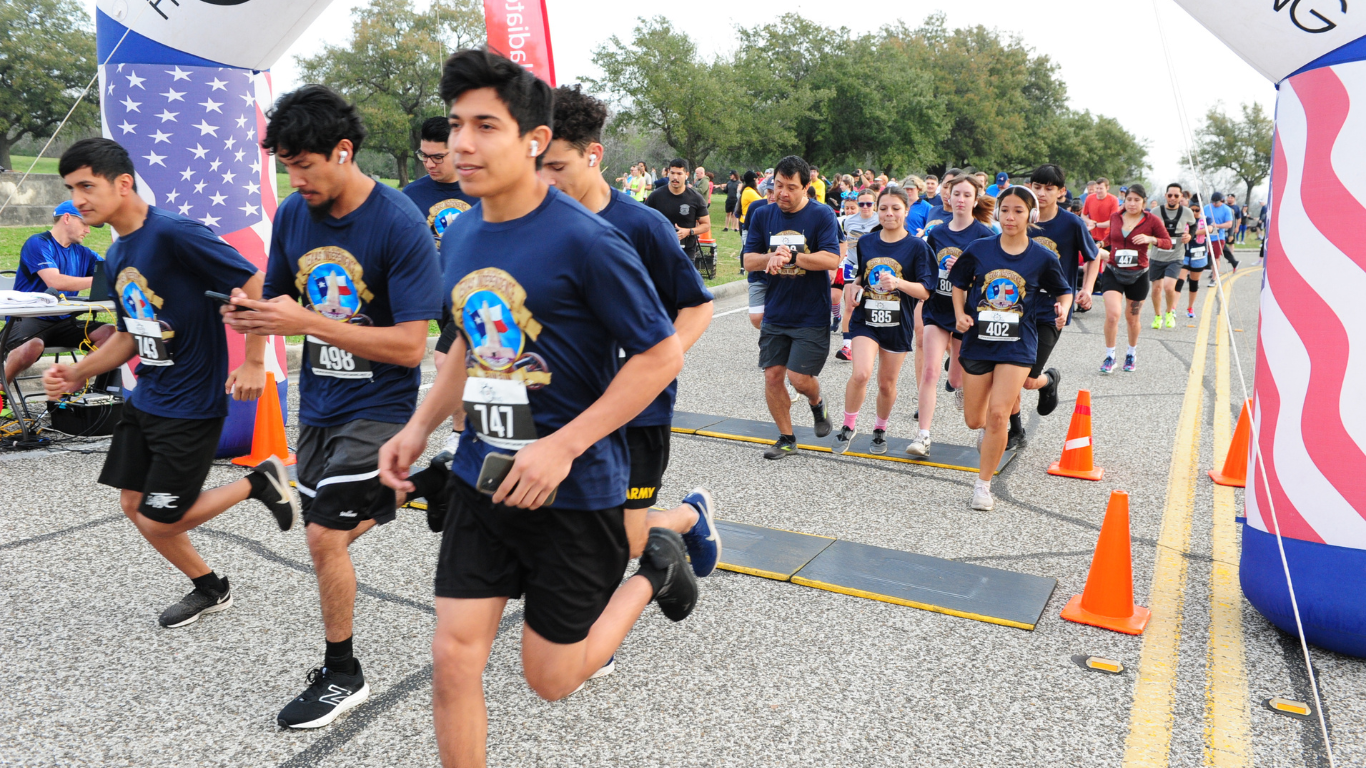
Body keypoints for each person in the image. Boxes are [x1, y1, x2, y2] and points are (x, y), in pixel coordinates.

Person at [379, 50, 696, 768]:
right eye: (457, 124)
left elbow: (660, 355)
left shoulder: (589, 241)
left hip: (573, 492)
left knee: (551, 680)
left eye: (485, 125)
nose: (463, 142)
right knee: (454, 659)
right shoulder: (459, 232)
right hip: (480, 477)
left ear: (533, 139)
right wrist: (420, 426)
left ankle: (656, 569)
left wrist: (564, 445)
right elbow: (464, 338)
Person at [221, 86, 448, 729]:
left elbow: (410, 347)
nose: (294, 180)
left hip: (380, 406)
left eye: (304, 165)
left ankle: (343, 673)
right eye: (285, 167)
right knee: (333, 523)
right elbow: (272, 296)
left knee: (323, 535)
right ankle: (435, 481)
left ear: (343, 152)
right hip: (321, 403)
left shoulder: (399, 224)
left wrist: (307, 324)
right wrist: (250, 346)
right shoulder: (295, 214)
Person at [42, 138, 298, 627]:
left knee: (163, 516)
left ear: (122, 183)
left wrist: (254, 361)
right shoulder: (117, 254)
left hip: (192, 402)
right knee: (134, 503)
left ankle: (259, 481)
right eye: (71, 189)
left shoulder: (176, 234)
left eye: (86, 186)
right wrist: (76, 371)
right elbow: (127, 335)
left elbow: (253, 282)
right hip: (148, 398)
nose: (78, 200)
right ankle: (210, 587)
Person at [541, 83, 720, 589]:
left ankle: (688, 517)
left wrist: (656, 362)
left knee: (625, 537)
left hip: (639, 409)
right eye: (537, 165)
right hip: (565, 406)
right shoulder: (535, 224)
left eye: (556, 167)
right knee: (573, 524)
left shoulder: (643, 226)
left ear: (593, 155)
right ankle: (585, 629)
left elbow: (696, 307)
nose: (544, 180)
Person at [950, 186, 1073, 511]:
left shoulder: (1042, 257)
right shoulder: (979, 249)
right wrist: (960, 314)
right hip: (978, 342)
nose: (1010, 217)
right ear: (998, 212)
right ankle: (990, 435)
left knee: (999, 414)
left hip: (1018, 344)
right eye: (1005, 210)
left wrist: (1062, 308)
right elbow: (959, 284)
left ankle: (983, 486)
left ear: (1030, 215)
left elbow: (1064, 290)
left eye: (1018, 210)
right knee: (975, 420)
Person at [742, 155, 841, 459]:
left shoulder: (821, 215)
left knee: (799, 380)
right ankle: (786, 437)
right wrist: (769, 258)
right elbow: (748, 260)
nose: (783, 193)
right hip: (776, 310)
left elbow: (831, 259)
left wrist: (793, 257)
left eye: (791, 187)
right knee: (772, 375)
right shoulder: (762, 214)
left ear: (806, 187)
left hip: (811, 312)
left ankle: (817, 403)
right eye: (778, 186)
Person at [833, 186, 933, 455]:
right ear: (877, 210)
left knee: (886, 383)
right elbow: (861, 277)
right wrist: (853, 286)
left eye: (896, 208)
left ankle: (879, 430)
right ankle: (848, 426)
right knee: (861, 373)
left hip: (897, 323)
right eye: (884, 208)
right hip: (866, 319)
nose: (889, 213)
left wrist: (898, 282)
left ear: (906, 211)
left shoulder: (917, 247)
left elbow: (925, 291)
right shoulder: (867, 241)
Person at [910, 173, 994, 457]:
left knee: (957, 379)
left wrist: (966, 271)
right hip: (938, 309)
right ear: (948, 196)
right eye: (956, 193)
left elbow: (990, 281)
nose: (960, 199)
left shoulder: (985, 236)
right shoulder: (937, 233)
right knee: (931, 371)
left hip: (967, 315)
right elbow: (928, 273)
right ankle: (923, 436)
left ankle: (969, 400)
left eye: (966, 195)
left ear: (975, 199)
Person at [1017, 165, 1098, 443]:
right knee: (1008, 368)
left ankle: (1048, 381)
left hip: (1053, 310)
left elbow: (1093, 256)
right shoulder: (1020, 217)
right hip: (1017, 306)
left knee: (1028, 378)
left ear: (1061, 192)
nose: (1041, 193)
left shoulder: (1071, 223)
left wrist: (1086, 289)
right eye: (1037, 187)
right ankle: (1015, 428)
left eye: (1049, 189)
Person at [3, 200, 116, 388]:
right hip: (27, 320)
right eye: (85, 223)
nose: (88, 230)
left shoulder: (83, 253)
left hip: (63, 321)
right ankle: (2, 391)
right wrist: (100, 280)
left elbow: (112, 272)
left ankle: (72, 387)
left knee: (110, 333)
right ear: (67, 218)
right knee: (33, 346)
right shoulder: (38, 243)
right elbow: (54, 281)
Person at [1098, 184, 1171, 373]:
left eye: (1137, 200)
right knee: (1113, 315)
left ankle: (1131, 353)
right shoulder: (1115, 217)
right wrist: (1101, 243)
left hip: (1138, 274)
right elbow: (1111, 239)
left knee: (1132, 319)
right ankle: (1110, 356)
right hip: (1113, 271)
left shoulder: (1151, 221)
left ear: (1143, 202)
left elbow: (1167, 243)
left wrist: (1151, 239)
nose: (1132, 203)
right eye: (1129, 199)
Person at [403, 116, 478, 248]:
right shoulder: (410, 196)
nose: (429, 164)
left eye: (438, 157)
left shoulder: (484, 193)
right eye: (424, 156)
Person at [834, 189, 881, 359]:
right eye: (862, 204)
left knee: (872, 303)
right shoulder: (848, 221)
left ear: (875, 204)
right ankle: (847, 346)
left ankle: (874, 339)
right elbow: (845, 241)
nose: (865, 207)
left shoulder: (879, 219)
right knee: (850, 303)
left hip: (873, 267)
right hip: (852, 265)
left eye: (869, 203)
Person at [645, 159, 712, 268]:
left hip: (685, 252)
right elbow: (644, 221)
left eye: (679, 173)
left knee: (684, 284)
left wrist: (689, 231)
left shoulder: (695, 198)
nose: (675, 177)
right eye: (672, 173)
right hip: (660, 250)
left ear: (687, 175)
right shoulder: (656, 196)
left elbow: (706, 225)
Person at [1148, 183, 1195, 330]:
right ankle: (1157, 316)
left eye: (1176, 195)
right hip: (1157, 256)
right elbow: (1146, 227)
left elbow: (1194, 226)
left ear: (1181, 196)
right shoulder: (1155, 211)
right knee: (1156, 289)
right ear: (1165, 196)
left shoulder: (1187, 212)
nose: (1173, 198)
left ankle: (1169, 312)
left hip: (1176, 256)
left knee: (1169, 287)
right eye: (1170, 195)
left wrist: (1190, 235)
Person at [744, 184, 777, 330]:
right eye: (769, 192)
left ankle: (771, 345)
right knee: (757, 318)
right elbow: (746, 232)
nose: (771, 196)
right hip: (759, 273)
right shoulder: (757, 209)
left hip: (783, 274)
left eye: (774, 192)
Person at [1174, 195, 1210, 318]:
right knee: (1179, 281)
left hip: (1199, 255)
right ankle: (1172, 308)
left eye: (1197, 210)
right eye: (1192, 210)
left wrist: (1191, 233)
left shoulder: (1206, 219)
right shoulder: (1183, 219)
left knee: (1194, 283)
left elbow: (1208, 229)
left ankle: (1190, 308)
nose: (1194, 212)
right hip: (1184, 254)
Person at [1203, 191, 1237, 283]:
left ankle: (1214, 278)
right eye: (1213, 201)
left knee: (1216, 257)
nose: (1214, 203)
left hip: (1218, 237)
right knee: (1208, 256)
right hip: (1206, 236)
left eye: (1216, 202)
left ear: (1221, 201)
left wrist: (1217, 225)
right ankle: (1211, 272)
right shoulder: (1206, 207)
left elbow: (1229, 224)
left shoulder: (1226, 209)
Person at [1082, 177, 1118, 248]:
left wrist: (1096, 225)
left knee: (1107, 257)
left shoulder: (1113, 200)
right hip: (1092, 236)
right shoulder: (1089, 198)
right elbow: (1083, 215)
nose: (1098, 191)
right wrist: (1089, 221)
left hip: (1107, 238)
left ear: (1107, 188)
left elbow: (1113, 221)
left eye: (1101, 188)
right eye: (1097, 188)